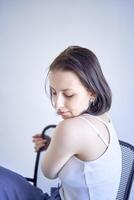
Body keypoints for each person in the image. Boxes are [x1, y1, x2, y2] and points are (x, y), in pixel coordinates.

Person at [0, 46, 122, 200]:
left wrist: (56, 144)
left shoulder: (70, 128)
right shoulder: (104, 118)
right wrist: (55, 145)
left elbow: (48, 172)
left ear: (92, 92)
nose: (57, 104)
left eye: (68, 94)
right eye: (53, 92)